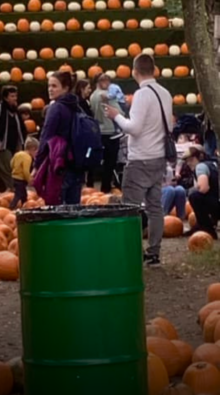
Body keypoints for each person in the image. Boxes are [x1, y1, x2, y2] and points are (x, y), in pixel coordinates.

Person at [104, 53, 173, 267]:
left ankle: (131, 253)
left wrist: (116, 115)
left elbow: (134, 128)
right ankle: (154, 253)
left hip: (140, 159)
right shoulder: (165, 93)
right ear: (154, 69)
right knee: (155, 208)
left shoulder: (142, 95)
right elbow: (168, 127)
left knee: (130, 208)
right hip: (158, 157)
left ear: (134, 72)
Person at [33, 71, 82, 204]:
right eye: (49, 86)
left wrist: (37, 164)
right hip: (77, 165)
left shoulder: (56, 108)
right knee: (74, 210)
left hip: (59, 164)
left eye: (54, 86)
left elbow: (46, 137)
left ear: (65, 88)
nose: (50, 89)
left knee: (57, 208)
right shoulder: (76, 106)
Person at [0, 85, 27, 193]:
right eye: (12, 96)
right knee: (7, 168)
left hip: (13, 144)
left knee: (1, 170)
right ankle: (14, 190)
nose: (15, 98)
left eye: (15, 96)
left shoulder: (14, 110)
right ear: (5, 98)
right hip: (2, 145)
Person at [90, 73, 124, 193]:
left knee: (100, 161)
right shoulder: (105, 96)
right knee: (110, 163)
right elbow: (118, 112)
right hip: (110, 131)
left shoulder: (93, 95)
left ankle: (92, 186)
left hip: (99, 131)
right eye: (106, 81)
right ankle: (106, 188)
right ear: (101, 82)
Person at [182, 145, 219, 239]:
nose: (188, 163)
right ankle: (202, 225)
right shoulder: (214, 164)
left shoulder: (200, 167)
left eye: (190, 160)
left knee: (195, 197)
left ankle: (207, 229)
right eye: (187, 161)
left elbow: (203, 188)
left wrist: (189, 191)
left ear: (197, 158)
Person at [9, 136, 39, 209]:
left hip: (14, 177)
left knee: (23, 194)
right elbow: (26, 171)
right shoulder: (27, 158)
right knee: (18, 194)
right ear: (33, 149)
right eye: (36, 152)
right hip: (20, 179)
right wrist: (29, 180)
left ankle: (24, 205)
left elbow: (11, 163)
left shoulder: (18, 154)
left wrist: (14, 170)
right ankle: (12, 206)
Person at [75, 79, 94, 187]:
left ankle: (87, 181)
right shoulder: (79, 103)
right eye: (88, 88)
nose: (90, 91)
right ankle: (84, 182)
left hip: (86, 136)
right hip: (83, 137)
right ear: (82, 89)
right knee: (86, 159)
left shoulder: (85, 101)